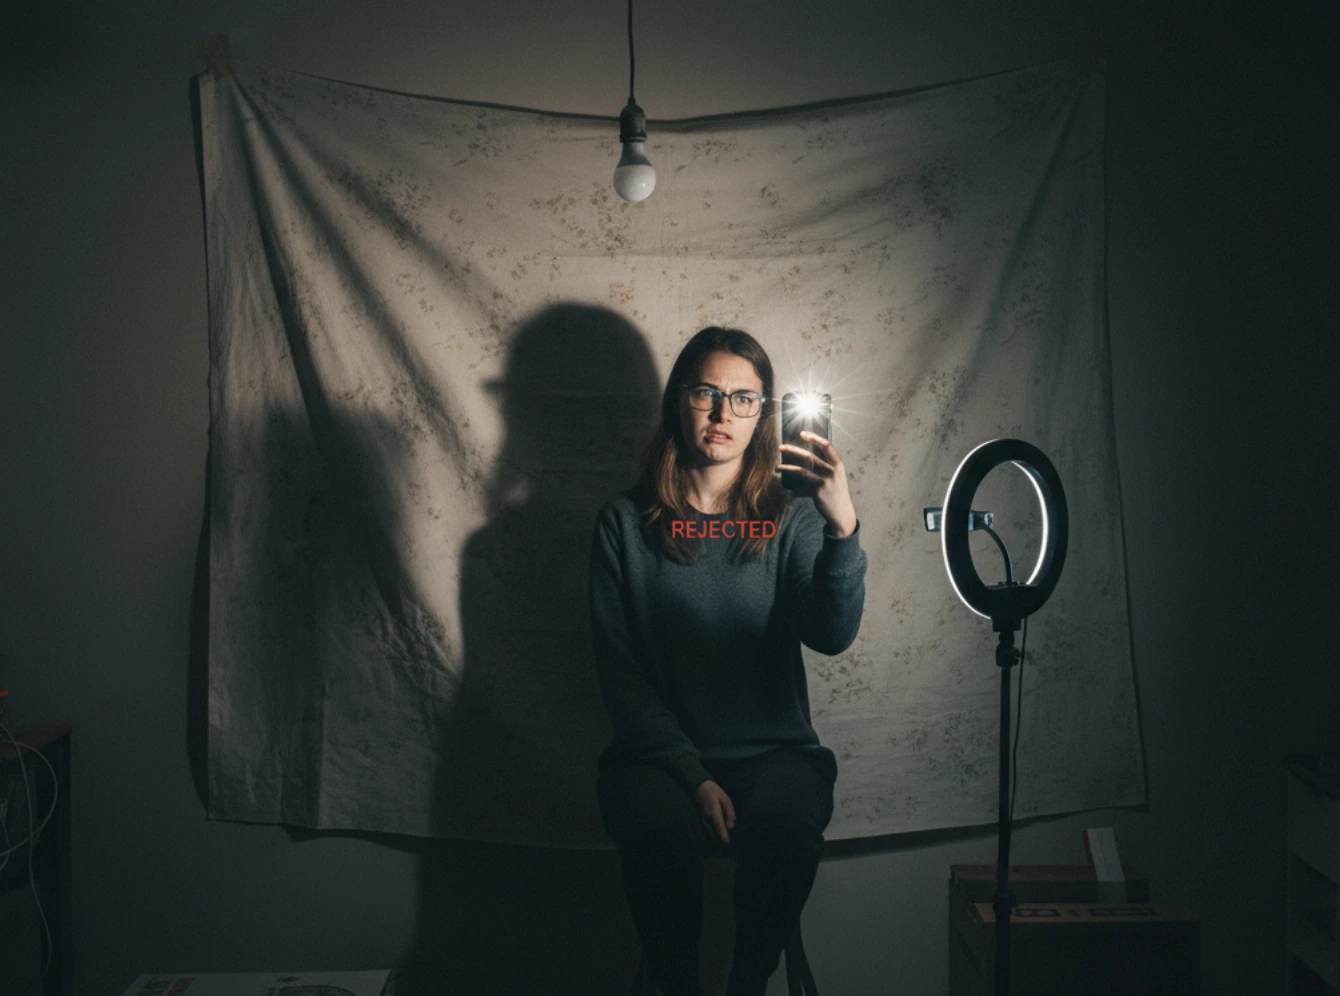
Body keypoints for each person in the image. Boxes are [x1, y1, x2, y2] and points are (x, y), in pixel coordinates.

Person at [590, 326, 868, 996]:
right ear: (678, 400)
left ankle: (748, 984)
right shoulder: (624, 525)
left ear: (764, 414)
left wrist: (842, 529)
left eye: (745, 399)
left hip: (774, 754)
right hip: (660, 757)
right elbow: (620, 675)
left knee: (787, 821)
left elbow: (830, 635)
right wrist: (693, 777)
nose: (722, 415)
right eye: (707, 394)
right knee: (654, 825)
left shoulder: (791, 516)